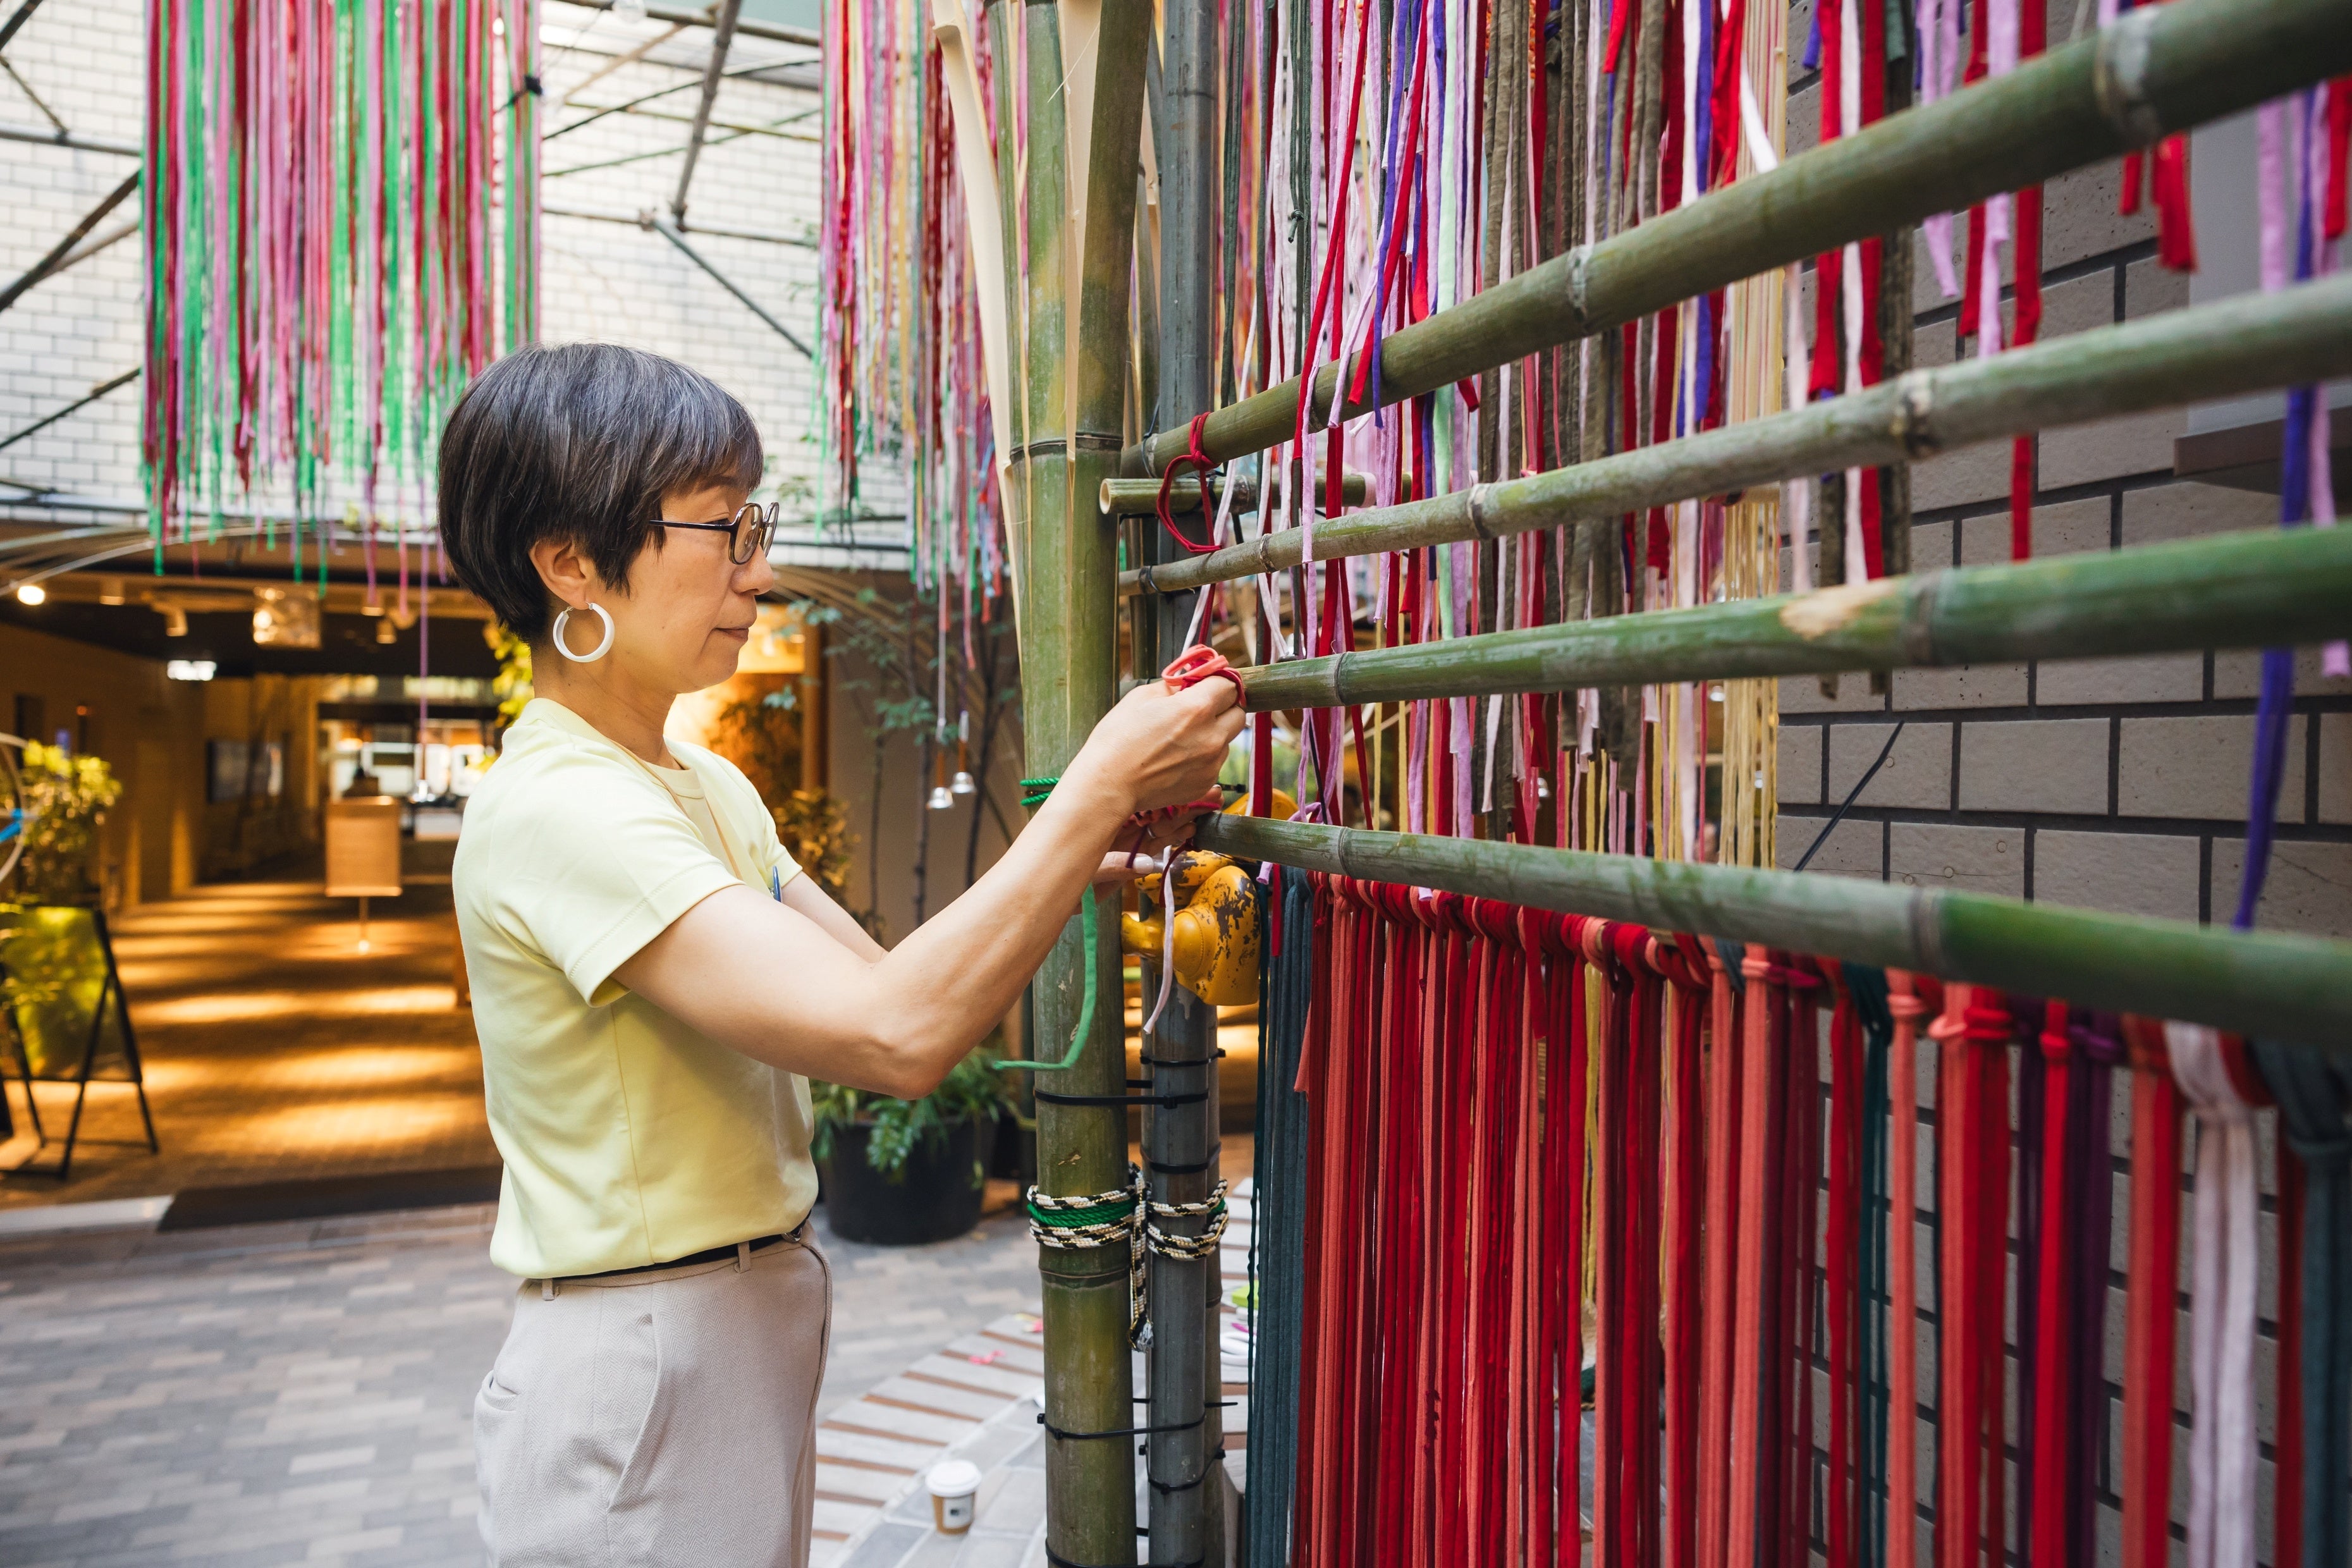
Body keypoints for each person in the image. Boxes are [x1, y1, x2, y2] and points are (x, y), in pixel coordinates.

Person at [438, 343, 1241, 1567]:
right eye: (721, 528)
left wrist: (1083, 853)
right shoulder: (560, 807)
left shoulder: (697, 782)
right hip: (645, 1358)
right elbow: (897, 1035)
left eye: (754, 522)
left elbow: (890, 983)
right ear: (567, 560)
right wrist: (1095, 791)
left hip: (731, 1330)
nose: (759, 569)